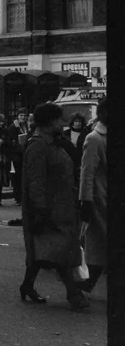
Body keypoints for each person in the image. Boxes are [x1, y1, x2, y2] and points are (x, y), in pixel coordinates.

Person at [19, 102, 88, 310]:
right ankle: (73, 294)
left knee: (44, 251)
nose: (63, 123)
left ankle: (27, 285)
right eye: (59, 119)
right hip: (49, 208)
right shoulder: (38, 145)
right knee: (60, 250)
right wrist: (40, 209)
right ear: (49, 122)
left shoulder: (55, 142)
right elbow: (35, 180)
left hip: (63, 205)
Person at [78, 98, 107, 294]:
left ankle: (84, 284)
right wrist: (85, 201)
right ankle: (83, 284)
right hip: (99, 199)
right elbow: (87, 174)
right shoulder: (94, 138)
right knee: (98, 246)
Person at [6, 109, 29, 206]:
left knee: (24, 177)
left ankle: (23, 197)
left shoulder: (26, 126)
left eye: (24, 115)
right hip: (16, 156)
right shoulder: (13, 127)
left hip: (24, 154)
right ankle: (18, 197)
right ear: (17, 116)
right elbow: (10, 142)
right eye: (21, 115)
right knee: (17, 177)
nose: (23, 117)